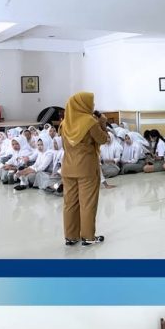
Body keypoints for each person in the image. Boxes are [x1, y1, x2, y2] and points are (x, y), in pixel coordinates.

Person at [60, 90, 110, 246]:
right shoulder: (90, 122)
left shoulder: (64, 123)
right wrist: (102, 123)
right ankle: (88, 237)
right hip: (86, 168)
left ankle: (71, 236)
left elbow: (64, 146)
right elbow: (103, 139)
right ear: (83, 104)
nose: (93, 105)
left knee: (70, 203)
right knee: (87, 203)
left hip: (68, 167)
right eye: (91, 102)